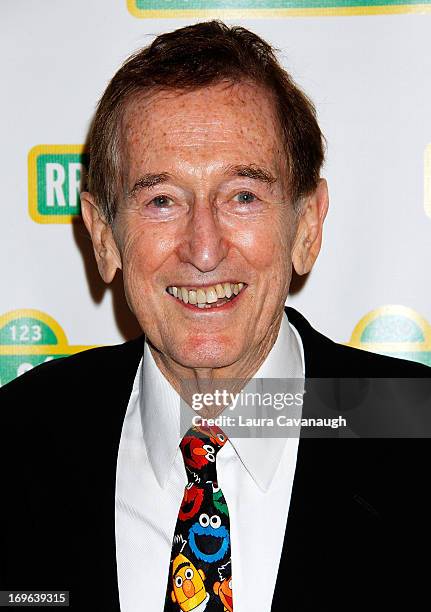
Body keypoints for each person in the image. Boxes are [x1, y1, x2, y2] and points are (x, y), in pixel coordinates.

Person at [0, 20, 429, 612]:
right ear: (104, 238)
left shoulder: (416, 425)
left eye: (242, 196)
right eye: (161, 200)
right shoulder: (17, 438)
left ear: (307, 226)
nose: (203, 248)